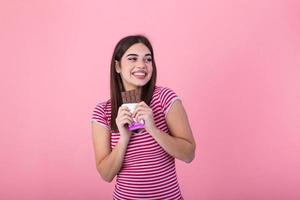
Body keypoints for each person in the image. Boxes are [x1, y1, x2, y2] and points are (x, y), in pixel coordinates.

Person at [91, 35, 196, 199]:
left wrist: (153, 129)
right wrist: (124, 138)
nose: (141, 65)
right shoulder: (103, 111)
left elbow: (189, 155)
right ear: (117, 66)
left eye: (148, 59)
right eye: (132, 59)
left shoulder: (165, 98)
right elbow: (106, 175)